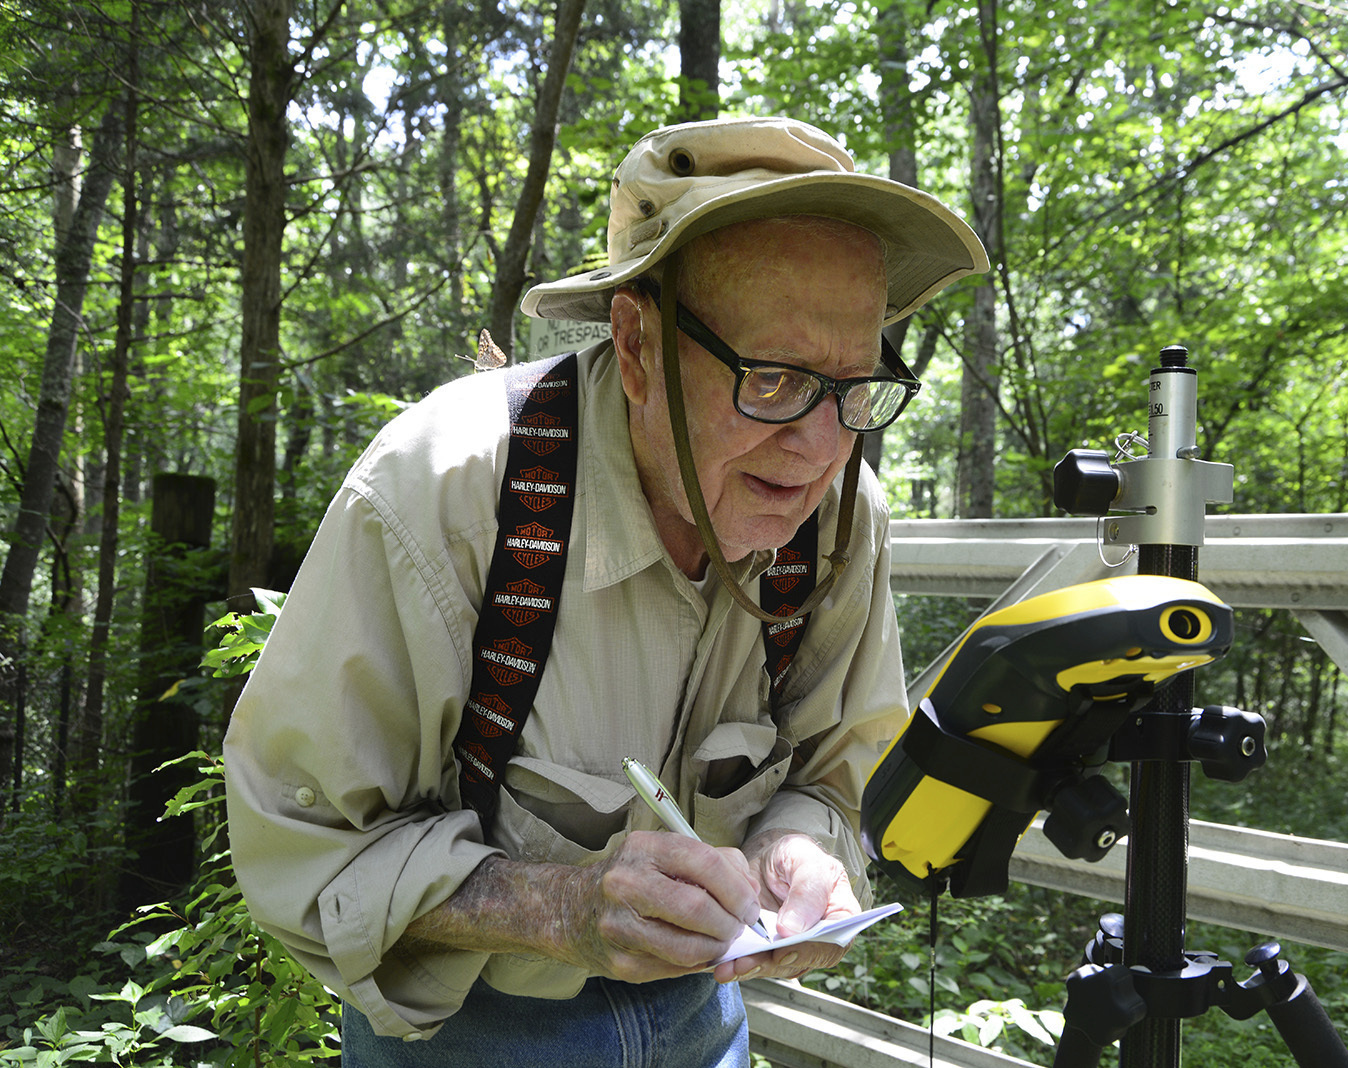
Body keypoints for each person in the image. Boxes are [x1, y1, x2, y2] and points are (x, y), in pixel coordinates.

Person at [223, 115, 988, 1066]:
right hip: (465, 1032)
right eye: (777, 378)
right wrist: (558, 908)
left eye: (855, 386)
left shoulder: (838, 517)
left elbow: (834, 769)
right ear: (635, 345)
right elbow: (308, 847)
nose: (822, 446)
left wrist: (801, 844)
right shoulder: (452, 489)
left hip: (706, 1019)